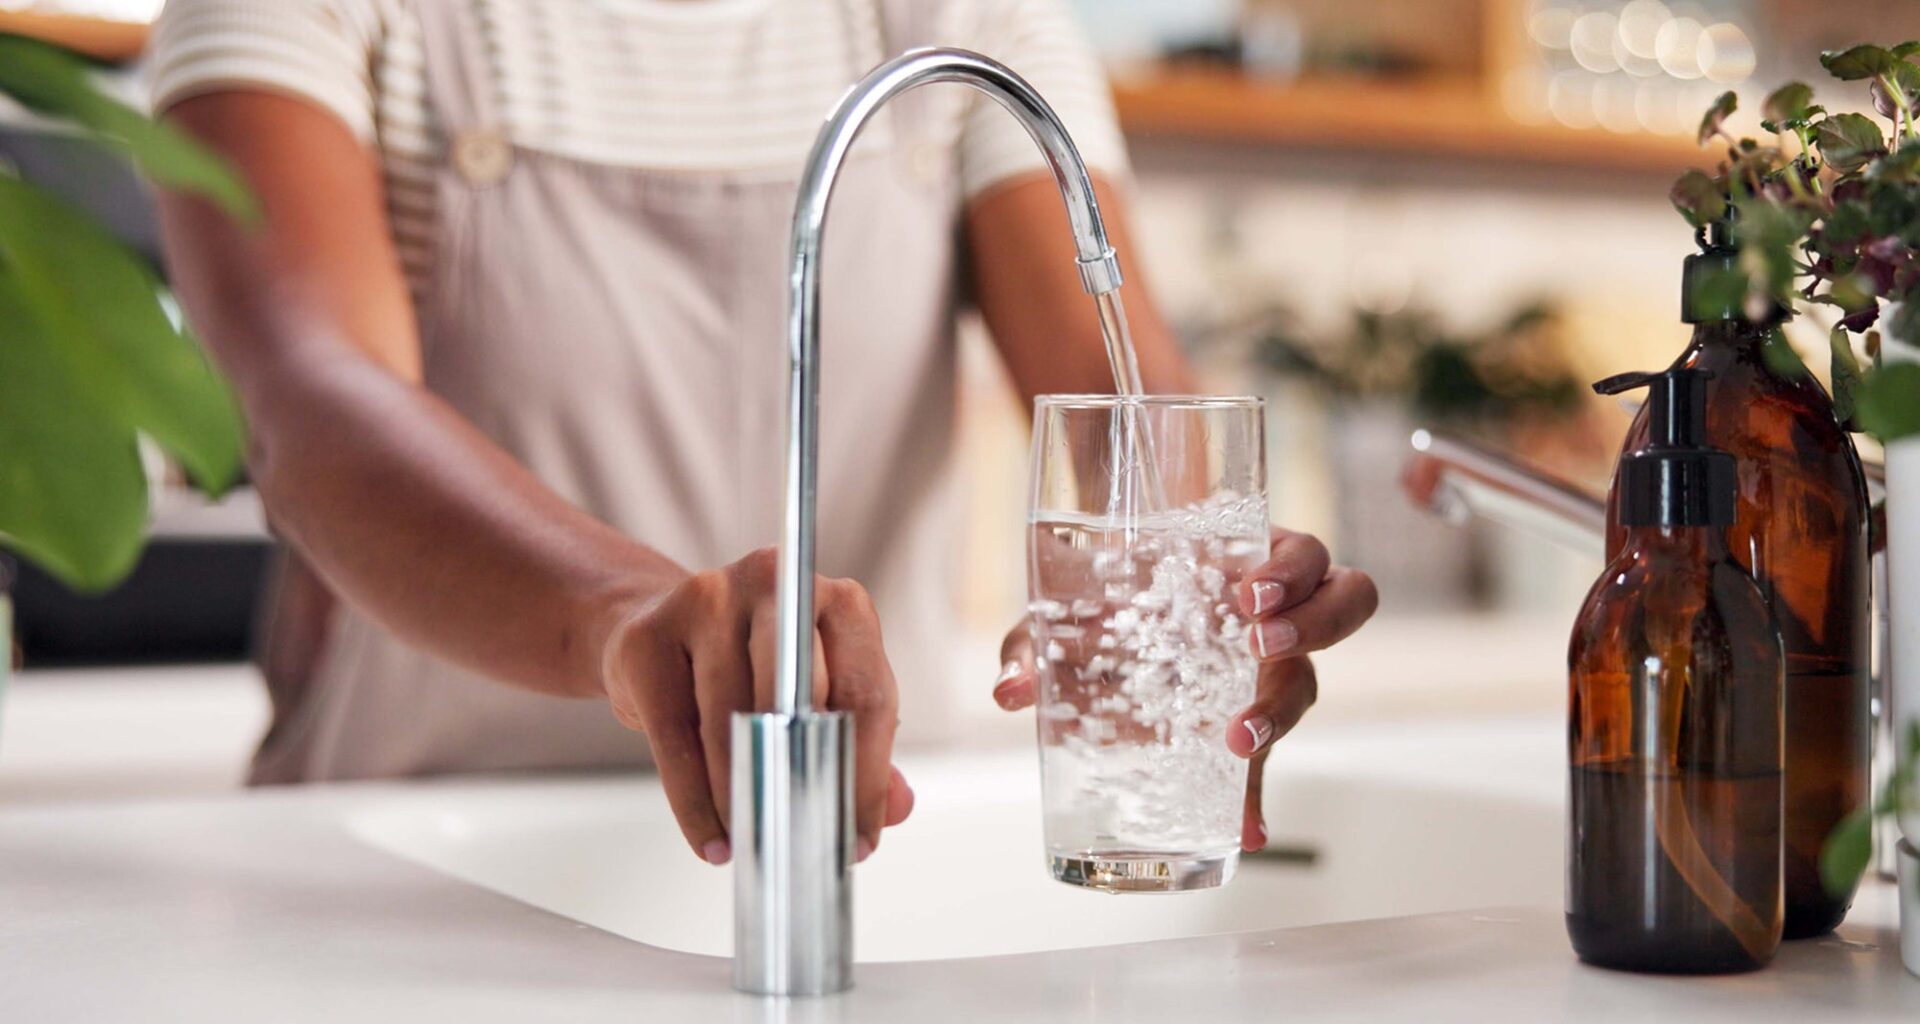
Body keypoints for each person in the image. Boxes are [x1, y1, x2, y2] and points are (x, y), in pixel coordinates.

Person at [147, 0, 1378, 866]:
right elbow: (312, 406)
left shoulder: (968, 17)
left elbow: (1134, 421)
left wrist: (1212, 589)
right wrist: (634, 621)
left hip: (879, 838)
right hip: (422, 842)